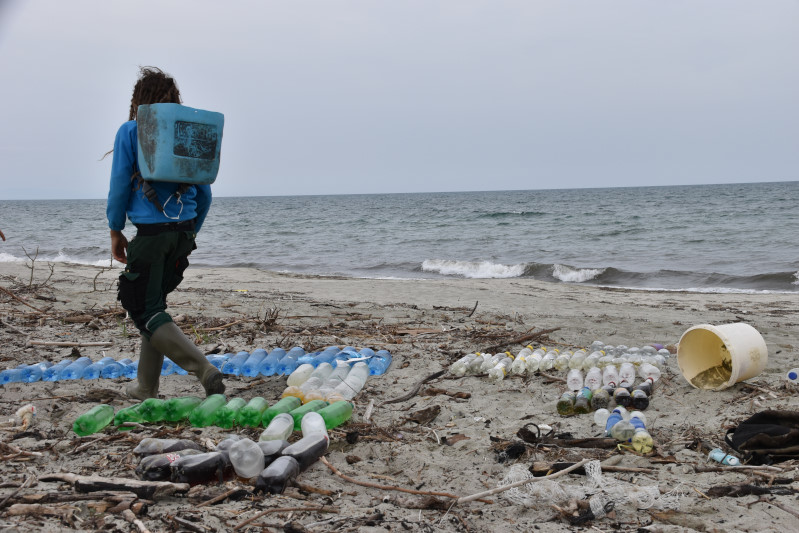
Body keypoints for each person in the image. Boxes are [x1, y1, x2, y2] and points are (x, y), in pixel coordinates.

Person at [106, 66, 224, 400]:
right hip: (183, 234)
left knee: (139, 305)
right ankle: (146, 386)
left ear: (140, 102)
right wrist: (188, 235)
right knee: (153, 307)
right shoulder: (186, 137)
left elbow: (117, 186)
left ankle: (204, 369)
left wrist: (115, 229)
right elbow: (205, 196)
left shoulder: (131, 131)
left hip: (152, 235)